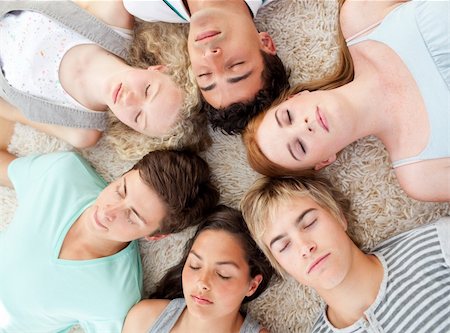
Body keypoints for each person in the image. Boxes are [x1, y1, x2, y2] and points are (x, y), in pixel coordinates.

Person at [0, 121, 219, 332]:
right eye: (121, 190)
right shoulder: (62, 173)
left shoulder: (115, 299)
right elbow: (8, 170)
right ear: (123, 174)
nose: (108, 212)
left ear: (155, 236)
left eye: (132, 216)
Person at [243, 0, 450, 202]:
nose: (304, 127)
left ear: (297, 96)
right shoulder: (421, 175)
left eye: (288, 117)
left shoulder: (360, 15)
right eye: (300, 146)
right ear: (324, 160)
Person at [241, 175, 450, 333]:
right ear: (280, 266)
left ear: (339, 217)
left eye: (310, 223)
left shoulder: (438, 246)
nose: (304, 247)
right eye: (284, 246)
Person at [0, 1, 204, 155]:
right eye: (148, 90)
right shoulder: (113, 17)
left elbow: (10, 110)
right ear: (158, 69)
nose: (129, 100)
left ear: (133, 130)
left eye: (138, 117)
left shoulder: (82, 132)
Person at [123, 0, 290, 135]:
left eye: (204, 74)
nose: (210, 56)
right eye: (236, 65)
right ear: (266, 43)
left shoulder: (144, 5)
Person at [122, 205, 274, 333]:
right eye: (195, 265)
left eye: (223, 274)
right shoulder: (144, 320)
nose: (202, 282)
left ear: (252, 285)